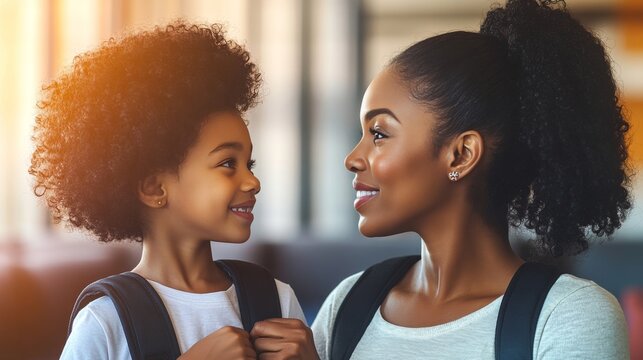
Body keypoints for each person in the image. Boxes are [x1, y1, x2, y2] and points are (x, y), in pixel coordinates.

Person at [311, 0, 632, 358]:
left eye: (379, 134)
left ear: (461, 155)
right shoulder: (348, 305)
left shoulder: (569, 317)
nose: (352, 159)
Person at [30, 21, 312, 360]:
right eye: (227, 164)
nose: (253, 182)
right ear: (154, 188)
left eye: (249, 165)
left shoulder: (277, 300)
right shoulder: (106, 321)